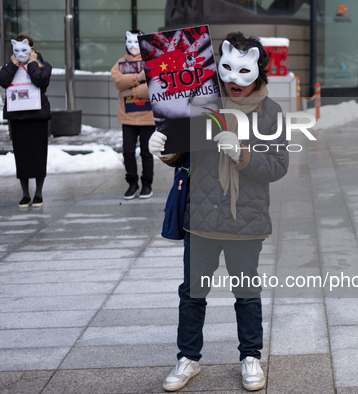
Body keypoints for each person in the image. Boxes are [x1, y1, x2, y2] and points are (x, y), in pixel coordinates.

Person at [149, 32, 289, 391]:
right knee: (192, 292)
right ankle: (188, 358)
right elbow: (183, 155)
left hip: (247, 219)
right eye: (226, 69)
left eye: (244, 71)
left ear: (259, 70)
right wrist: (164, 149)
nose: (233, 80)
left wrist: (242, 154)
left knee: (246, 291)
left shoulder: (272, 113)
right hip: (201, 218)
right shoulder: (200, 105)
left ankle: (250, 357)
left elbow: (277, 166)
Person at [0, 35, 52, 208]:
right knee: (21, 155)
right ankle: (25, 194)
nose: (20, 54)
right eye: (16, 50)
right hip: (17, 118)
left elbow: (40, 80)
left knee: (38, 155)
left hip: (37, 117)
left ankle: (38, 193)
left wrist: (32, 63)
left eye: (25, 50)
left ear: (32, 49)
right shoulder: (10, 67)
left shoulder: (43, 65)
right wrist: (13, 64)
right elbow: (1, 80)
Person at [111, 30, 156, 200]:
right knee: (128, 152)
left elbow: (154, 87)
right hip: (127, 116)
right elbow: (118, 81)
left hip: (147, 116)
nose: (132, 46)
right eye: (129, 42)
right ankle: (132, 183)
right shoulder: (120, 63)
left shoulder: (151, 62)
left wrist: (131, 90)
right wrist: (139, 77)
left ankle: (147, 184)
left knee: (146, 152)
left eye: (136, 42)